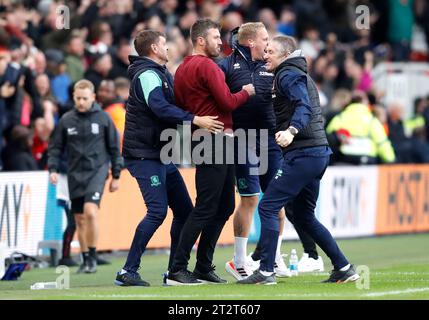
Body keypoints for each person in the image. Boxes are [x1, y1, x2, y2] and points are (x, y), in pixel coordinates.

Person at [238, 36, 359, 285]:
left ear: (285, 54)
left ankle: (266, 271)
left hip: (303, 153)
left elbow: (303, 106)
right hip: (317, 153)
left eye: (270, 51)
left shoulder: (287, 75)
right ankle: (344, 267)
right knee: (304, 216)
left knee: (268, 206)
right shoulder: (292, 73)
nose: (265, 55)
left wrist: (291, 130)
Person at [114, 30, 225, 287]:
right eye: (165, 45)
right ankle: (127, 271)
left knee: (185, 211)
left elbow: (175, 102)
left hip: (160, 153)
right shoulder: (148, 75)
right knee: (157, 211)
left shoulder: (160, 73)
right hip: (144, 154)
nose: (169, 48)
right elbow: (159, 107)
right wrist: (195, 119)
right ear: (154, 48)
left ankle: (173, 272)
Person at [218, 23, 323, 280]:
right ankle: (239, 260)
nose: (268, 44)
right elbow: (214, 97)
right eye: (265, 38)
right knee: (251, 198)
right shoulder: (226, 66)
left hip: (271, 141)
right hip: (242, 139)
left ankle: (273, 258)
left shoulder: (273, 67)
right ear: (251, 42)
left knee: (277, 202)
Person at [166, 19, 255, 285]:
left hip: (203, 138)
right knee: (206, 206)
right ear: (200, 40)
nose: (221, 42)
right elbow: (227, 101)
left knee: (225, 205)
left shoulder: (182, 69)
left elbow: (181, 105)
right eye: (216, 37)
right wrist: (246, 92)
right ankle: (177, 269)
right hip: (215, 139)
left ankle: (203, 265)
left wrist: (197, 117)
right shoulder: (208, 66)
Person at [48, 79, 123, 274]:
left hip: (97, 172)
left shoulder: (104, 119)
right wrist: (53, 169)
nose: (81, 102)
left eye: (84, 98)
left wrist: (116, 174)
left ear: (93, 98)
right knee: (79, 218)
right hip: (74, 174)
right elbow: (56, 147)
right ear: (73, 97)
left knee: (90, 211)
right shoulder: (66, 120)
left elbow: (115, 148)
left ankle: (92, 255)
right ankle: (86, 259)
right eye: (78, 98)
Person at [326, 92, 396, 165]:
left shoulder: (340, 118)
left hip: (345, 158)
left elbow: (328, 138)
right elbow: (382, 142)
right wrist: (390, 159)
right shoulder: (371, 120)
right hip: (368, 159)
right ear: (365, 103)